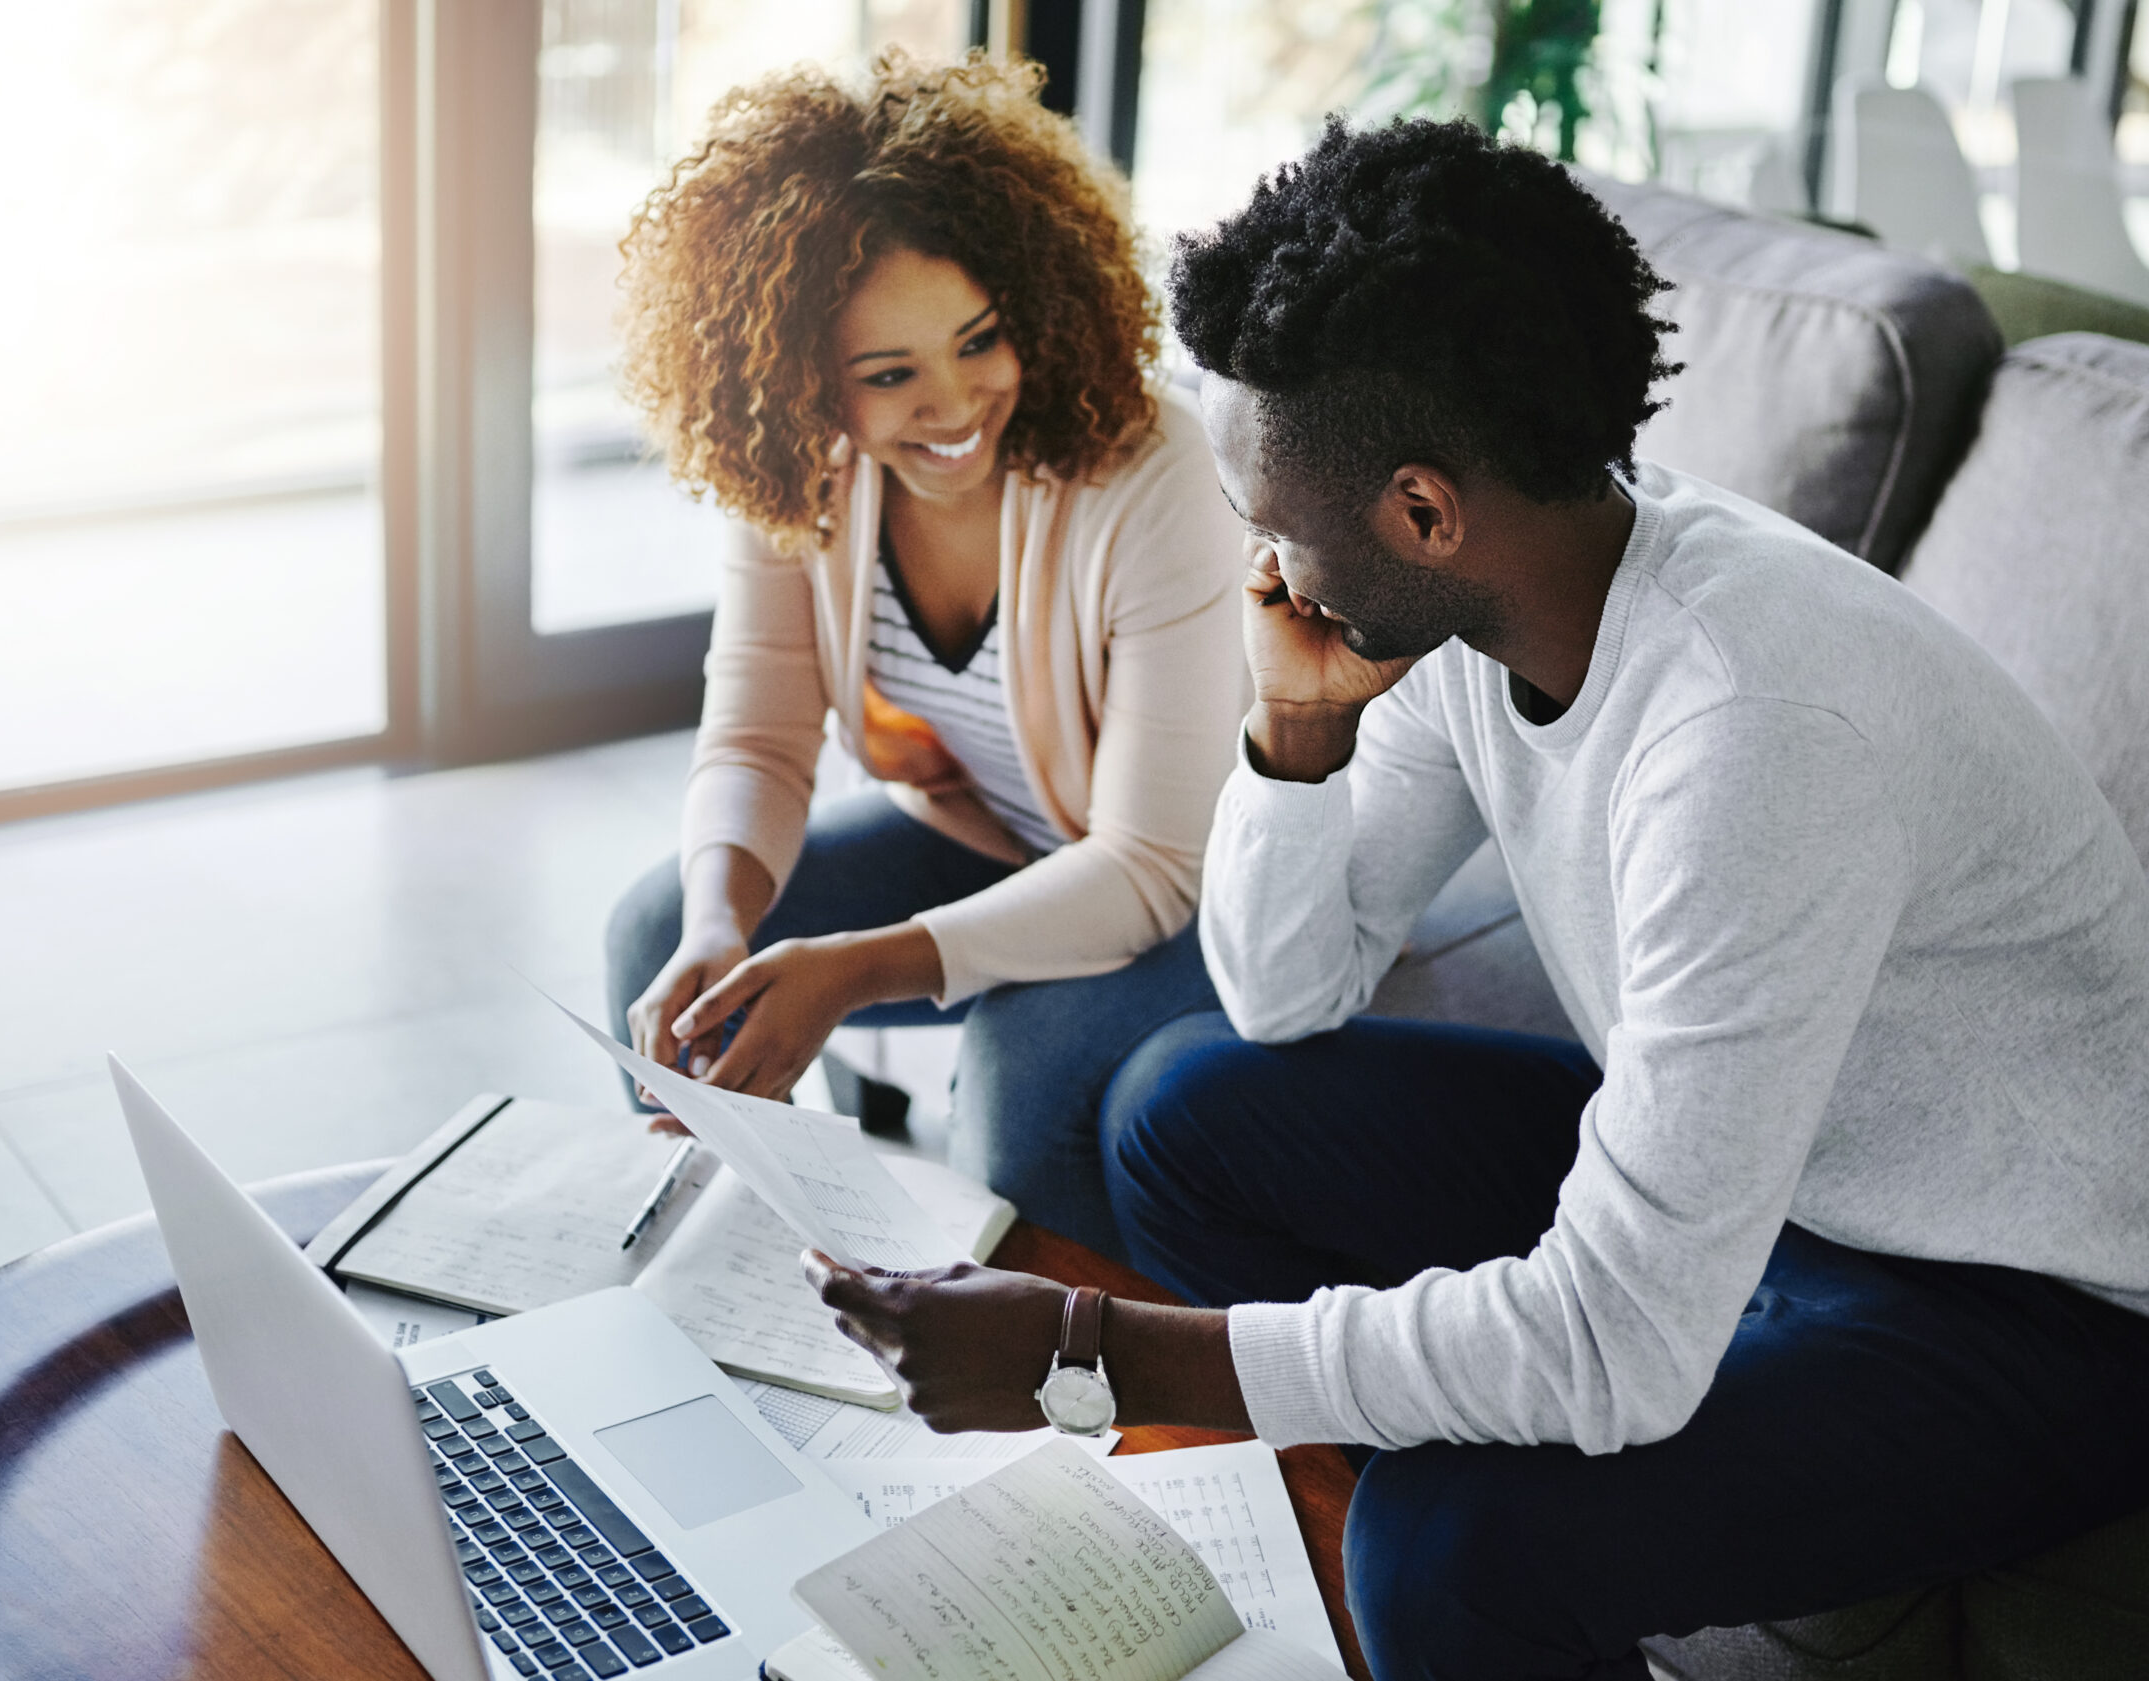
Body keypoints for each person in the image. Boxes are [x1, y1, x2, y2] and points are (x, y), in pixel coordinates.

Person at [801, 117, 2149, 1678]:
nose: (1256, 564)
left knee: (1453, 1542)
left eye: (1271, 524)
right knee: (1186, 1108)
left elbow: (1617, 1342)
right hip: (1781, 1188)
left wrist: (1088, 1352)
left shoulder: (1751, 734)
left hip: (2025, 1306)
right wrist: (1291, 744)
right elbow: (1281, 991)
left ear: (1424, 513)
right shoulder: (1492, 598)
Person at [602, 52, 1247, 1255]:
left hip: (1209, 894)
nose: (952, 406)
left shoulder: (1155, 469)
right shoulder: (803, 470)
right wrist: (715, 924)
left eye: (980, 340)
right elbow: (757, 735)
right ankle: (733, 1296)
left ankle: (1047, 1405)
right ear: (801, 384)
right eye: (888, 374)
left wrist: (852, 970)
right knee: (659, 937)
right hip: (1008, 838)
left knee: (1019, 1075)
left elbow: (1154, 863)